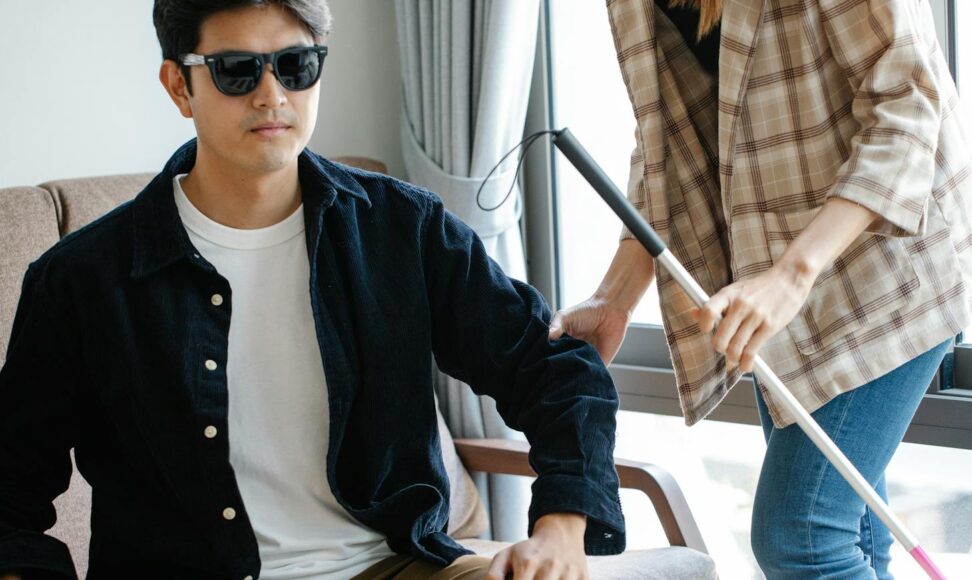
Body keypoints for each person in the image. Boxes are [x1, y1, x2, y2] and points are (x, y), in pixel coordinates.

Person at [0, 1, 624, 578]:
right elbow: (11, 496)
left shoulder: (402, 231)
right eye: (236, 71)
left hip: (393, 567)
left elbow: (553, 369)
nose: (273, 94)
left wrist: (561, 526)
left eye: (296, 65)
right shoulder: (81, 282)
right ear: (177, 86)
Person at [549, 0, 972, 577]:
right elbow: (667, 138)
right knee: (849, 538)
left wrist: (791, 275)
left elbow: (909, 106)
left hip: (895, 257)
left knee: (802, 536)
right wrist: (615, 298)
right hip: (786, 282)